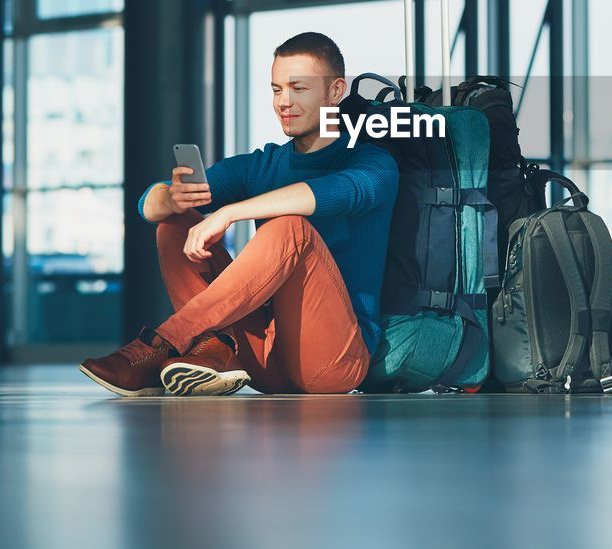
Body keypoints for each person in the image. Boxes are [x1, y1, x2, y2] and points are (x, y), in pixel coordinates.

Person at [80, 32, 399, 397]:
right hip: (264, 359)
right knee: (174, 226)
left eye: (299, 88)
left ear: (335, 91)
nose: (285, 101)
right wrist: (171, 198)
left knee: (290, 227)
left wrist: (231, 212)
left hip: (332, 363)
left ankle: (167, 340)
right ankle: (215, 349)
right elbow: (146, 205)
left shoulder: (373, 162)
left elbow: (329, 193)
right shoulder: (263, 164)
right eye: (277, 89)